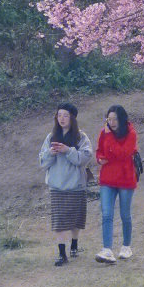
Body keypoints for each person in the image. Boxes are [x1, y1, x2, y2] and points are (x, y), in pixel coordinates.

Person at [39, 102, 93, 267]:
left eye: (65, 115)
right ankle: (62, 254)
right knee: (59, 222)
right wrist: (51, 153)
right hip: (57, 186)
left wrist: (67, 150)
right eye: (59, 115)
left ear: (72, 118)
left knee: (76, 219)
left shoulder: (81, 137)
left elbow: (85, 157)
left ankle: (74, 244)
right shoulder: (50, 137)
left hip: (76, 185)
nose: (62, 119)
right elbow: (42, 161)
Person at [95, 103, 139, 264]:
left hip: (125, 179)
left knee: (125, 214)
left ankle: (126, 246)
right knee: (106, 214)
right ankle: (107, 249)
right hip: (107, 178)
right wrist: (99, 158)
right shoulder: (104, 132)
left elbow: (122, 153)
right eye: (109, 119)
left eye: (115, 119)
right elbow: (99, 150)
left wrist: (110, 138)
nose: (111, 122)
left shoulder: (131, 133)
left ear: (121, 119)